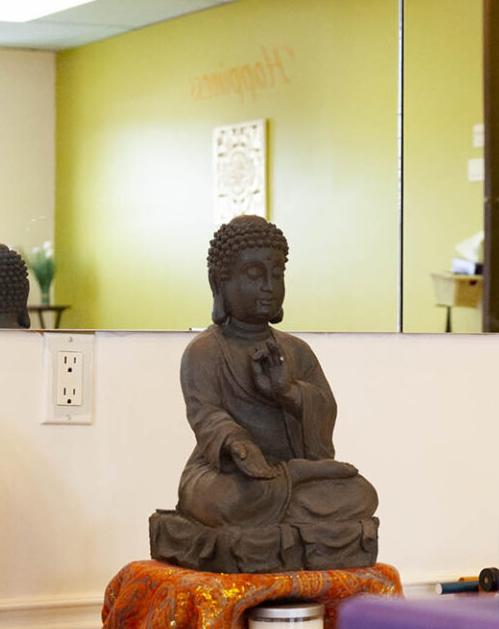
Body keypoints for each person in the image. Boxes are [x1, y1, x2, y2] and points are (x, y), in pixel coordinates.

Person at [149, 216, 379, 572]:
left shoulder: (296, 351)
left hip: (285, 479)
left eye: (277, 274)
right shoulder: (205, 351)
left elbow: (324, 411)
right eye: (254, 275)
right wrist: (239, 444)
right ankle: (296, 476)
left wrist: (288, 392)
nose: (269, 286)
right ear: (219, 282)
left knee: (361, 494)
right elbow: (206, 415)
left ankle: (297, 476)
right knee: (222, 500)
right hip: (231, 476)